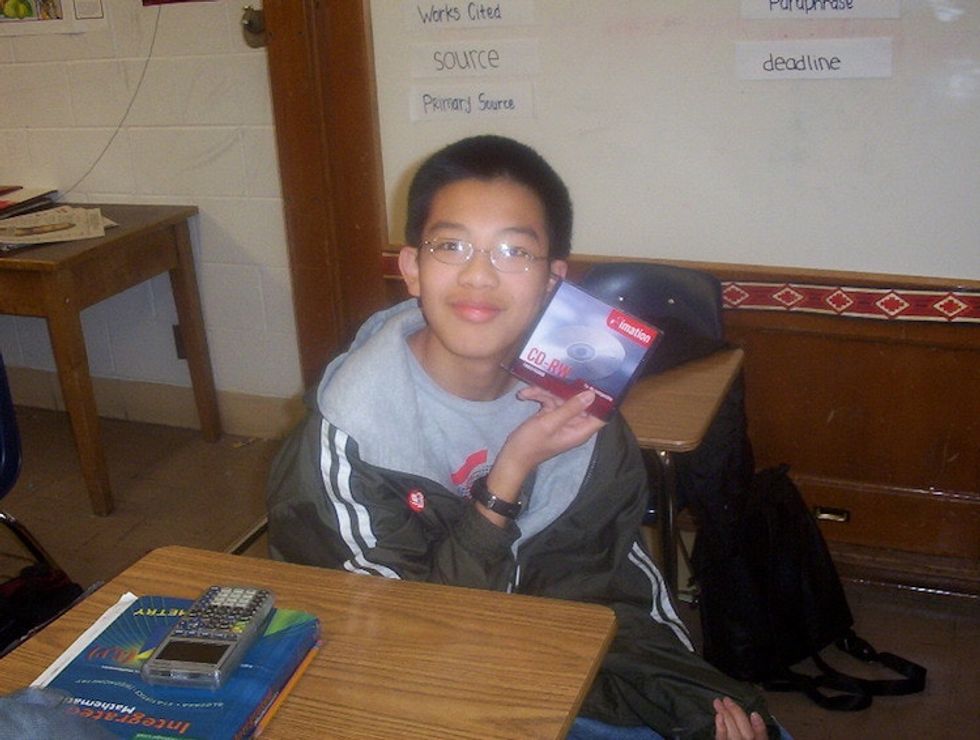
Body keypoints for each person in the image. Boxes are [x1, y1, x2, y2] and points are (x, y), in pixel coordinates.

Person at [267, 135, 779, 739]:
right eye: (451, 245)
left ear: (552, 281)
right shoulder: (350, 432)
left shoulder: (582, 416)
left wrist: (695, 705)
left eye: (514, 251)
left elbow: (621, 589)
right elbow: (403, 636)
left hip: (553, 659)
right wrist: (509, 475)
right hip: (410, 681)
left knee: (748, 727)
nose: (478, 275)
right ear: (411, 269)